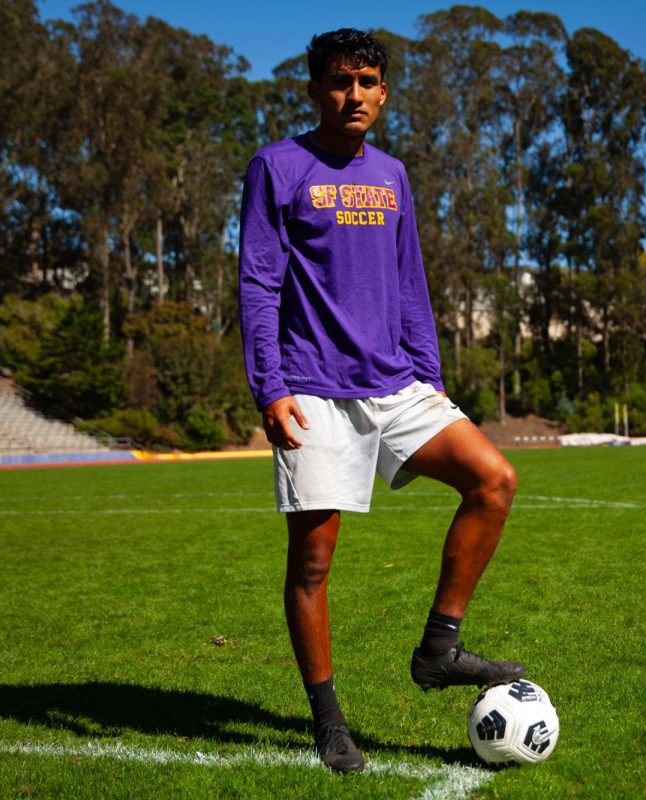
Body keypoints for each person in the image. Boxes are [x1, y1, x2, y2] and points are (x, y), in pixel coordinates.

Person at [237, 28, 525, 774]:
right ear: (314, 89)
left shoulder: (393, 174)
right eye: (339, 82)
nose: (354, 95)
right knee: (313, 564)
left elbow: (409, 284)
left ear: (384, 91)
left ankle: (439, 648)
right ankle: (328, 721)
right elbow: (260, 282)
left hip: (398, 384)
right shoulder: (277, 166)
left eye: (367, 82)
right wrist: (269, 387)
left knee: (493, 480)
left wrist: (429, 374)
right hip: (311, 391)